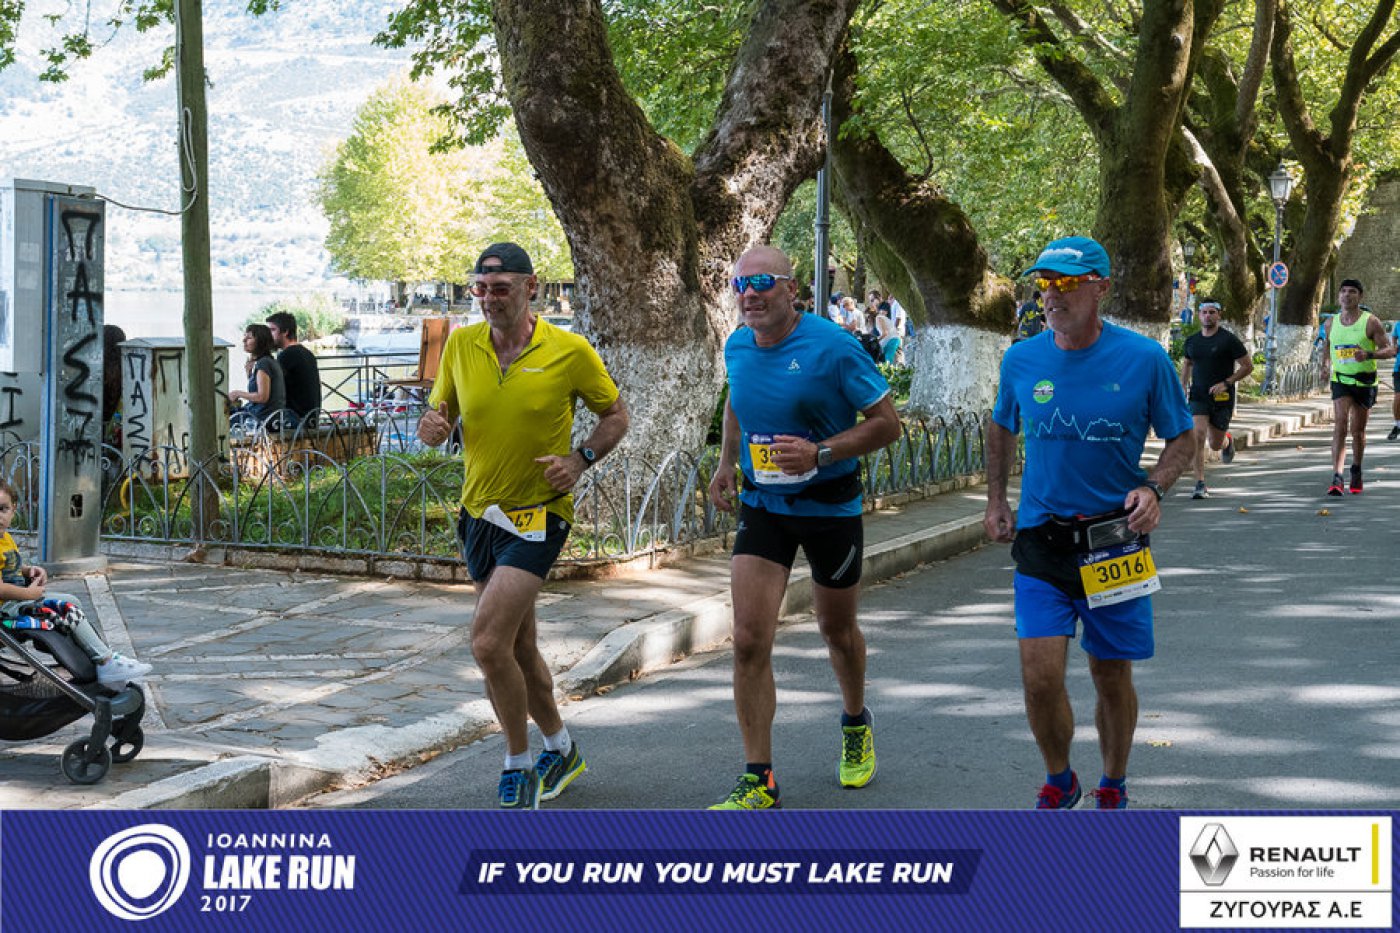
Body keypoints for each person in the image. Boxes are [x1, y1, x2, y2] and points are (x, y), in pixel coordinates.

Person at [983, 236, 1194, 810]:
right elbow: (1002, 425)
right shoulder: (1021, 359)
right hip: (1042, 541)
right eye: (1045, 283)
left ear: (1101, 287)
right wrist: (996, 499)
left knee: (1110, 673)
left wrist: (1154, 488)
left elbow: (1183, 438)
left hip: (1114, 542)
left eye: (1067, 283)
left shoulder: (1144, 359)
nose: (1052, 294)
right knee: (1039, 678)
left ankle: (1113, 782)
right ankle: (1060, 778)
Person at [416, 242, 628, 810]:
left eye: (501, 288)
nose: (488, 299)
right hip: (478, 513)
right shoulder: (461, 345)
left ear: (531, 287)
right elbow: (439, 418)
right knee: (519, 646)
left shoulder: (569, 350)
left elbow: (616, 415)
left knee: (488, 643)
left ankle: (518, 763)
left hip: (540, 514)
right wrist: (431, 428)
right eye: (480, 289)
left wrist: (580, 459)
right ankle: (561, 747)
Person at [706, 244, 902, 810]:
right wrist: (726, 463)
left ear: (792, 289)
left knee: (836, 631)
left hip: (829, 507)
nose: (749, 294)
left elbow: (887, 424)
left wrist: (821, 453)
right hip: (765, 505)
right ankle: (758, 778)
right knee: (748, 639)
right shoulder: (738, 344)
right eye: (740, 284)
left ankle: (855, 720)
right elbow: (737, 402)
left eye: (762, 282)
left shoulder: (833, 346)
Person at [0, 479, 152, 687]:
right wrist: (29, 594)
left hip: (17, 602)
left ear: (13, 509)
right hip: (7, 611)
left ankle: (95, 660)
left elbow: (9, 566)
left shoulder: (5, 538)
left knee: (72, 602)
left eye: (3, 509)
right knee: (65, 607)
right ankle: (105, 661)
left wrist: (28, 571)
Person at [1318, 279, 1394, 495]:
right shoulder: (1330, 323)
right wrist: (1325, 366)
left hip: (1364, 381)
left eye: (1352, 292)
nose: (1346, 295)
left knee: (1357, 431)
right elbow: (1328, 346)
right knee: (1340, 425)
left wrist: (1368, 354)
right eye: (1343, 291)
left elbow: (1389, 350)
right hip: (1341, 380)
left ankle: (1357, 469)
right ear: (1339, 296)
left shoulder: (1371, 322)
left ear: (1360, 296)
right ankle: (1337, 476)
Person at [1180, 298, 1253, 499]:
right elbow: (1187, 364)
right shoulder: (1192, 341)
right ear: (1199, 315)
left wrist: (1227, 383)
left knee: (1214, 444)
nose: (1208, 316)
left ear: (1219, 315)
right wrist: (1182, 386)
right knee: (1198, 435)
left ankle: (1227, 442)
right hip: (1198, 395)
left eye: (1212, 312)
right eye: (1204, 312)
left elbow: (1247, 366)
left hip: (1222, 397)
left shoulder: (1228, 340)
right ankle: (1200, 483)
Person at [266, 311, 322, 429]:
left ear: (285, 332)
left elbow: (270, 392)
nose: (269, 335)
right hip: (311, 419)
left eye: (272, 330)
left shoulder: (287, 355)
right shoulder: (307, 353)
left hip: (296, 421)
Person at [229, 324, 286, 432]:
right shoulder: (268, 361)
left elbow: (262, 397)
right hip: (267, 417)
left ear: (260, 342)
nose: (244, 340)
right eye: (245, 336)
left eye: (249, 337)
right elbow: (257, 390)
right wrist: (249, 374)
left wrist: (237, 393)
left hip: (263, 419)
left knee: (222, 419)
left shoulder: (263, 363)